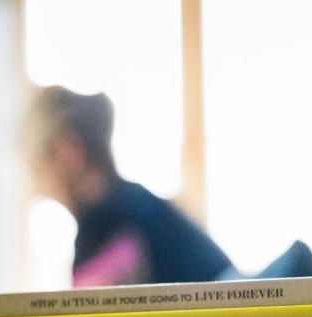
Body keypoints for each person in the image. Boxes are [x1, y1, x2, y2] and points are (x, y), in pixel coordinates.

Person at [23, 85, 234, 287]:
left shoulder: (120, 220)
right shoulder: (134, 204)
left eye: (37, 166)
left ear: (67, 149)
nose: (36, 186)